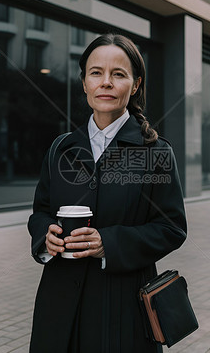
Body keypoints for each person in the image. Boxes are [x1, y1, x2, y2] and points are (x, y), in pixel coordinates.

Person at [27, 33, 187, 353]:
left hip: (122, 308)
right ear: (84, 82)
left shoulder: (155, 152)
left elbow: (171, 228)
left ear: (135, 84)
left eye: (118, 74)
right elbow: (40, 211)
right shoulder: (61, 148)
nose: (106, 83)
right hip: (58, 307)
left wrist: (108, 244)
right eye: (96, 73)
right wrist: (46, 236)